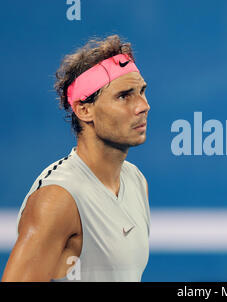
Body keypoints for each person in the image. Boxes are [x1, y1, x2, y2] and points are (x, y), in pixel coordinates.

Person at [1, 35, 151, 282]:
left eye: (142, 91)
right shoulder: (57, 198)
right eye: (124, 95)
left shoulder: (136, 181)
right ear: (84, 109)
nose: (143, 106)